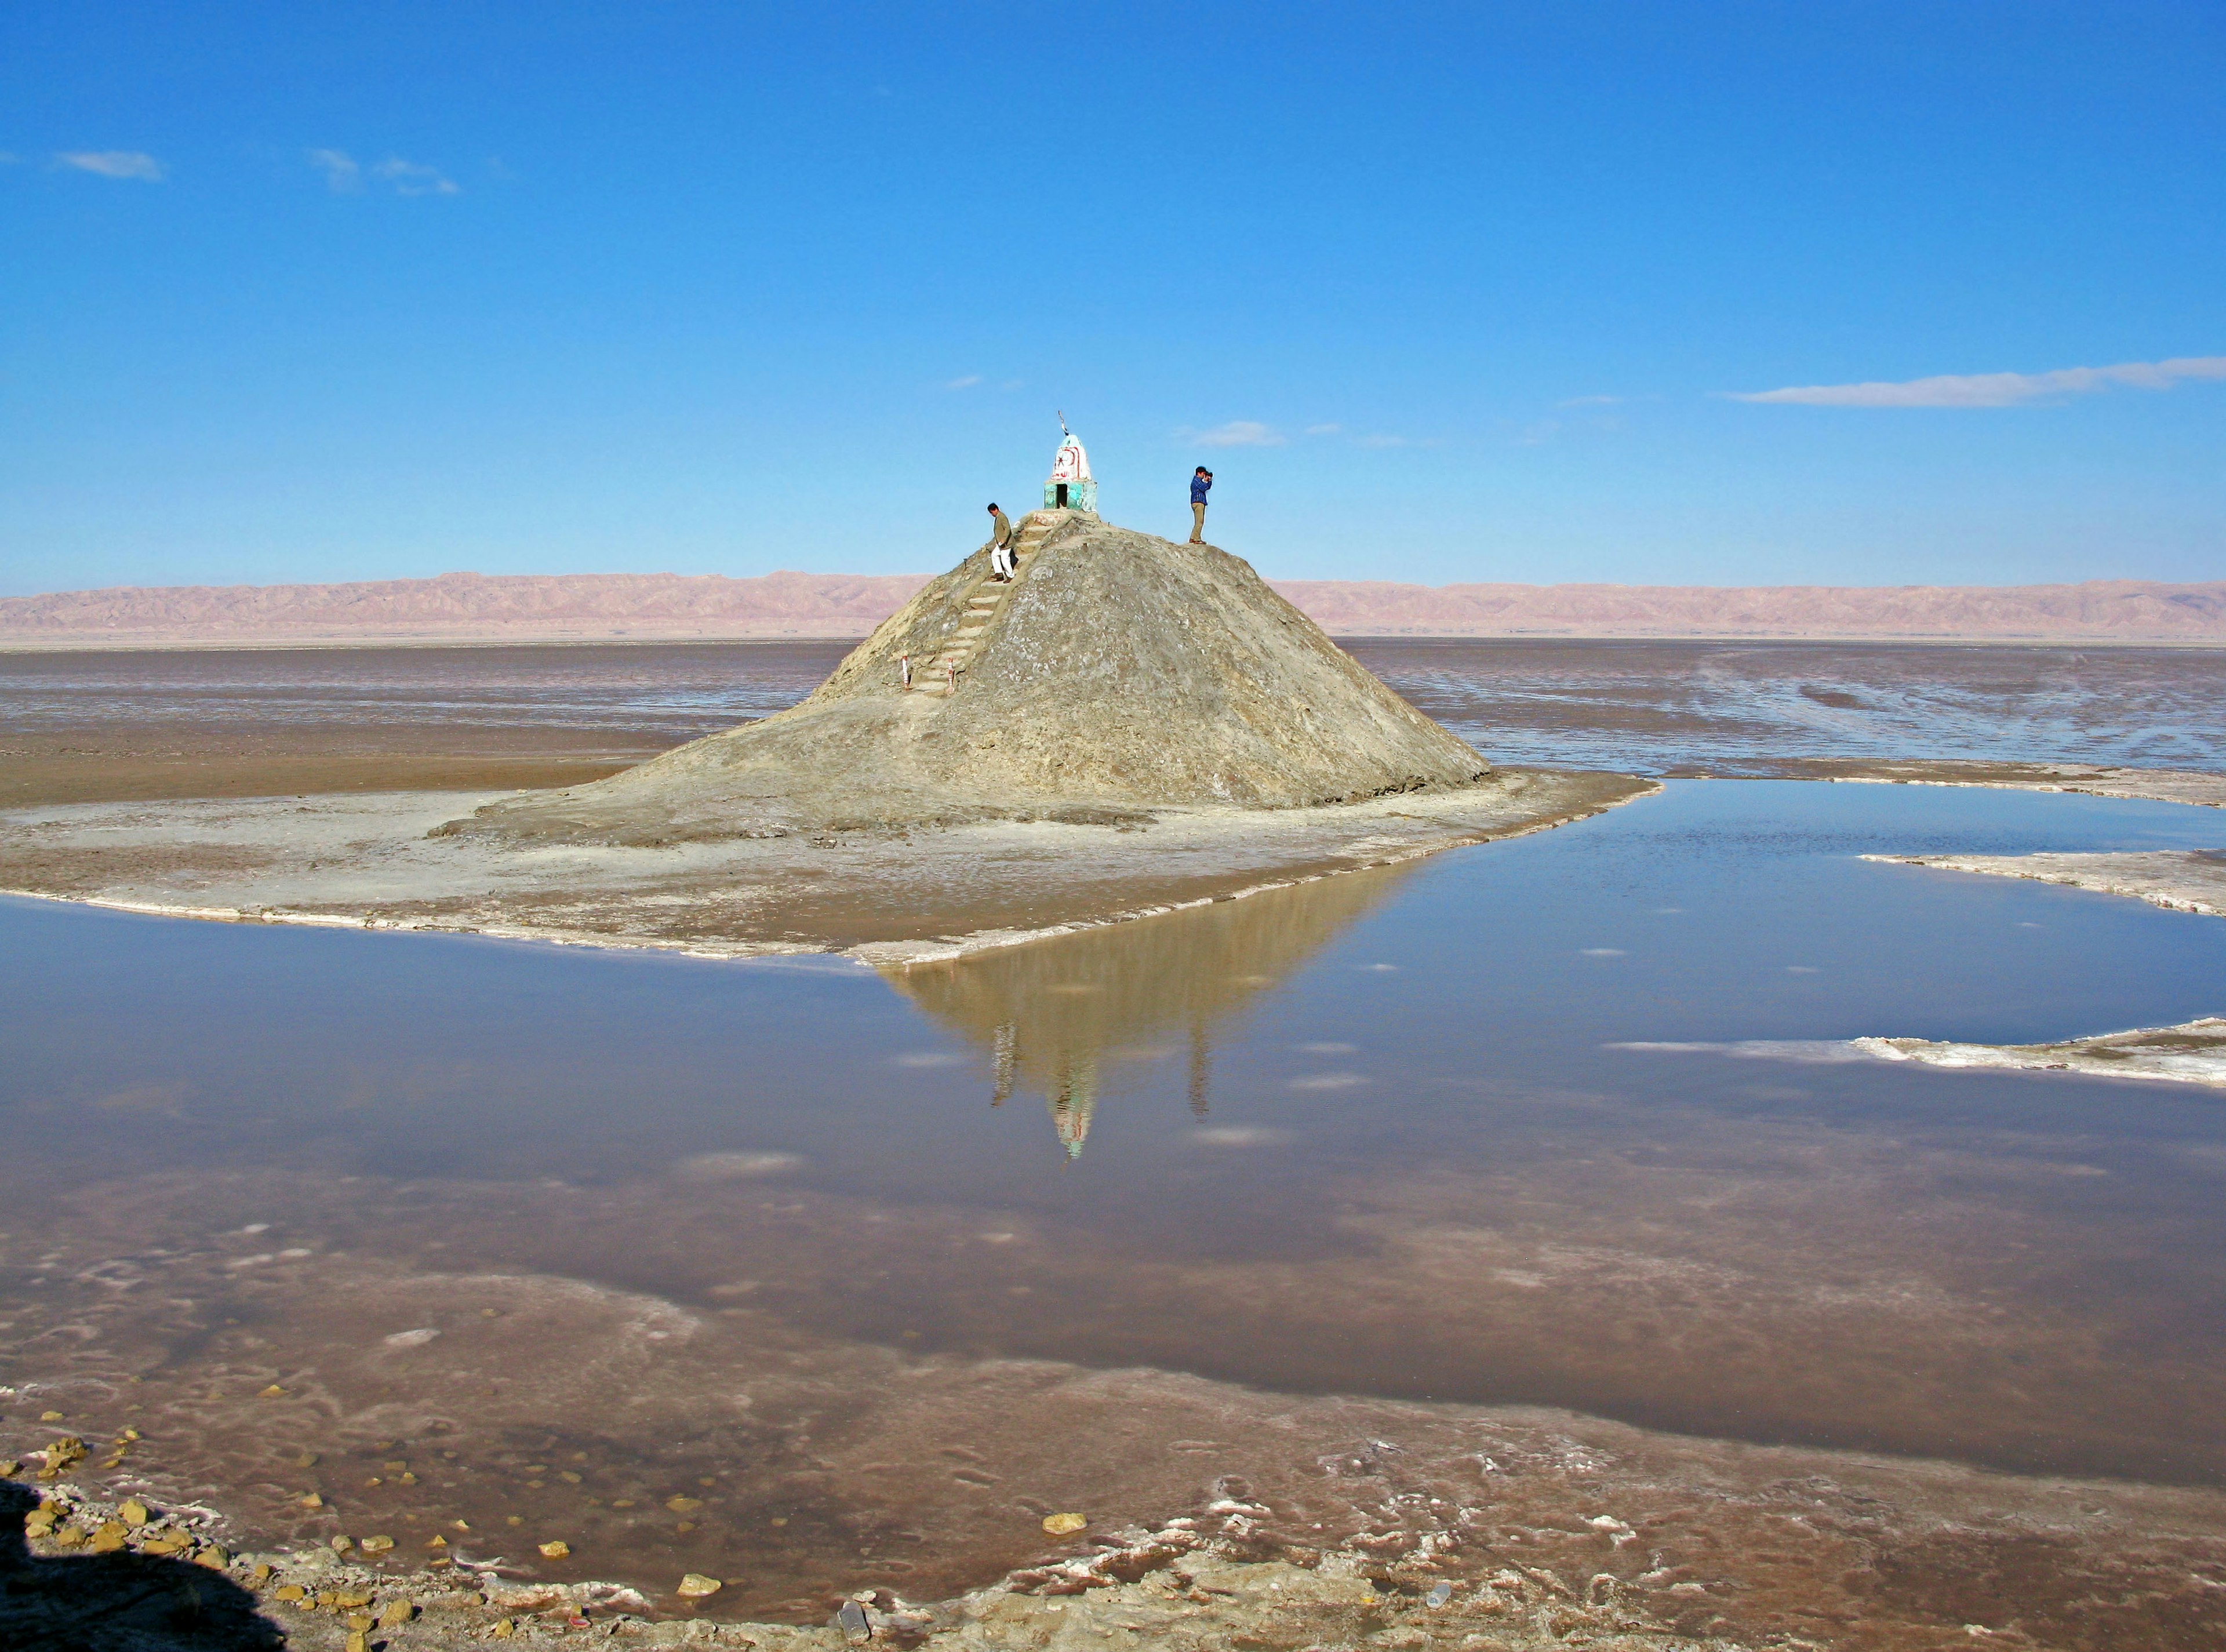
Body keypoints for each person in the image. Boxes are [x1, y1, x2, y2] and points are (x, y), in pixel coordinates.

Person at [987, 503, 1015, 580]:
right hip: (1000, 544)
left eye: (992, 512)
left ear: (996, 510)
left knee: (1005, 559)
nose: (992, 515)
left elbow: (1007, 529)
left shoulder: (1002, 517)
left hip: (1006, 543)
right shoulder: (998, 518)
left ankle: (1010, 576)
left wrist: (1004, 540)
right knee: (994, 555)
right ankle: (999, 573)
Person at [1188, 467, 1212, 543]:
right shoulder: (1196, 481)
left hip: (1198, 502)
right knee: (1200, 522)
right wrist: (1205, 482)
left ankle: (1193, 538)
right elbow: (1203, 488)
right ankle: (1197, 539)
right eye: (1204, 474)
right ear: (1199, 473)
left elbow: (1207, 487)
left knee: (1198, 521)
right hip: (1198, 502)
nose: (1204, 475)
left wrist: (1209, 481)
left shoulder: (1197, 481)